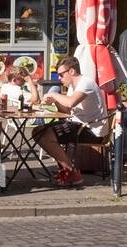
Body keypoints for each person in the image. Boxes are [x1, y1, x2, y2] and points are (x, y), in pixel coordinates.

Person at [29, 55, 110, 187]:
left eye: (61, 75)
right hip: (79, 125)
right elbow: (67, 111)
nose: (60, 79)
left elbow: (71, 103)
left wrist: (54, 95)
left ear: (72, 71)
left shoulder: (86, 83)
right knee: (39, 131)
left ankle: (71, 172)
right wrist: (55, 102)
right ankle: (65, 169)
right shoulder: (74, 86)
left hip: (92, 130)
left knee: (44, 134)